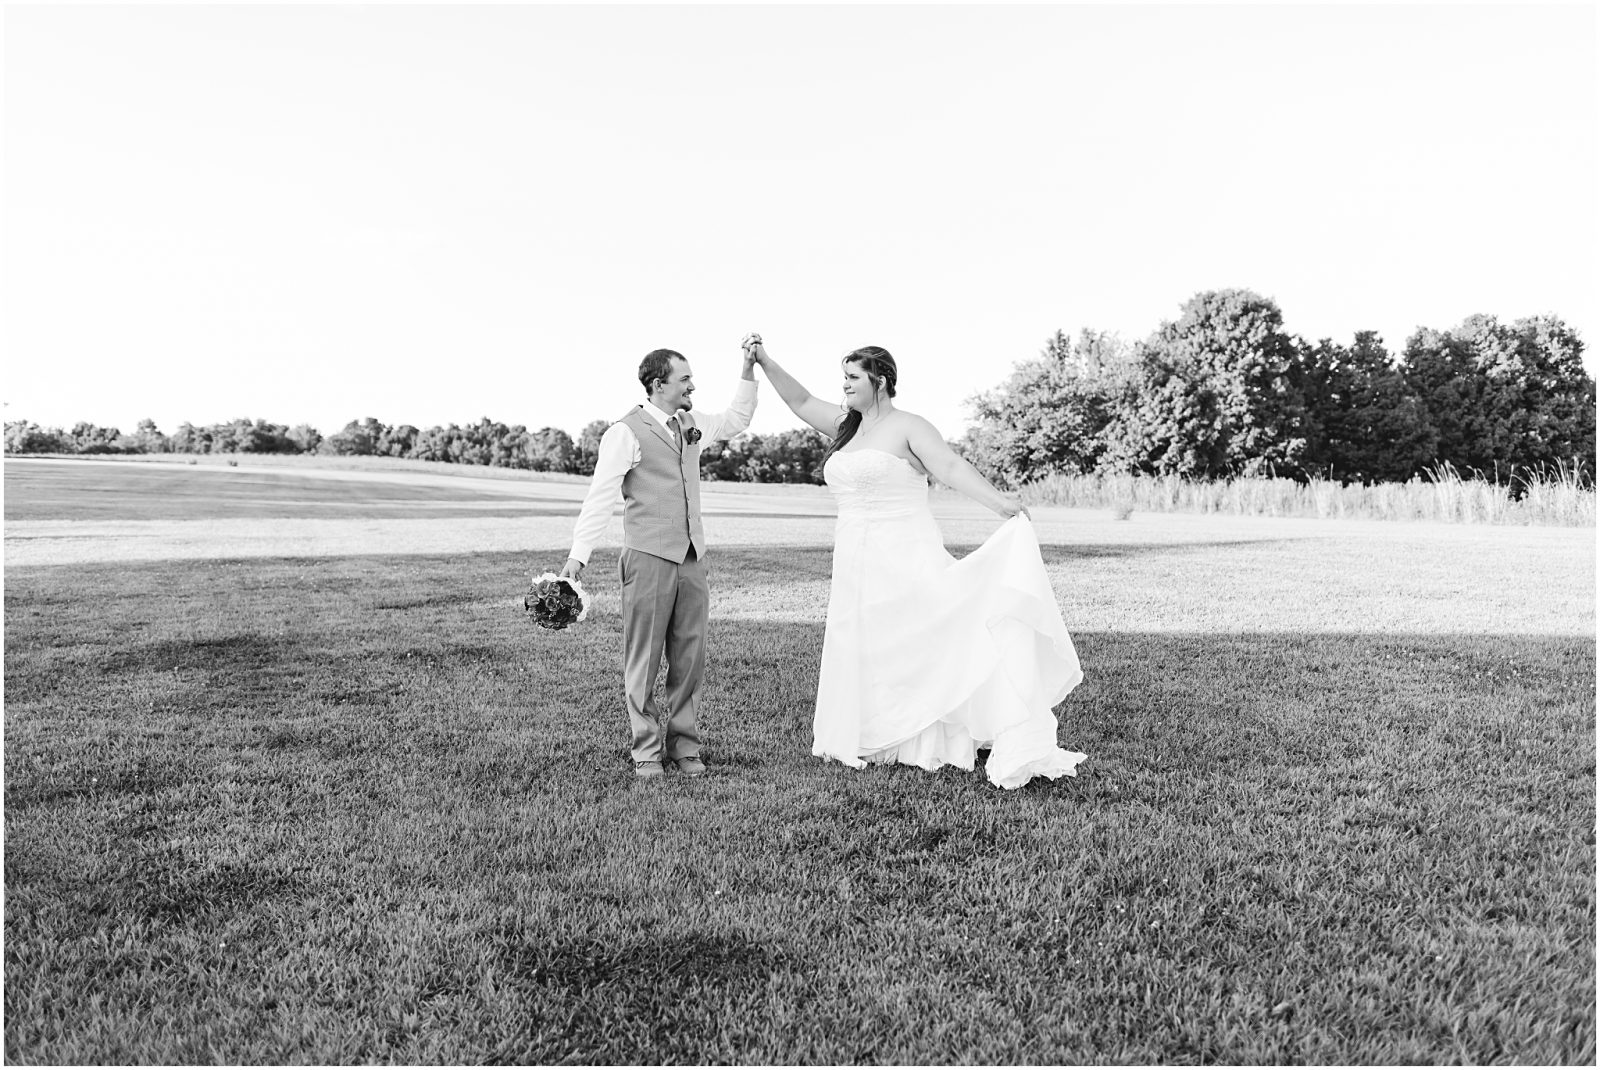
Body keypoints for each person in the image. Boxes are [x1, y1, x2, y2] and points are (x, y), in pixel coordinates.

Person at [748, 339, 1086, 789]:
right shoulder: (845, 426)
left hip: (903, 550)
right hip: (854, 558)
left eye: (853, 378)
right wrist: (764, 361)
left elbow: (949, 466)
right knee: (866, 640)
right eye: (843, 378)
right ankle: (874, 731)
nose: (845, 386)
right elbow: (800, 400)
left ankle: (931, 733)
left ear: (880, 381)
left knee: (916, 636)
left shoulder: (910, 426)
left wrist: (998, 502)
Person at [560, 343, 759, 779]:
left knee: (690, 656)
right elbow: (599, 498)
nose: (692, 386)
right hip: (647, 557)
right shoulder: (625, 432)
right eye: (685, 379)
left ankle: (684, 746)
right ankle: (647, 750)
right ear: (658, 384)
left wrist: (748, 368)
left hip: (691, 557)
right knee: (644, 657)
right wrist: (579, 557)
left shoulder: (692, 424)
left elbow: (738, 419)